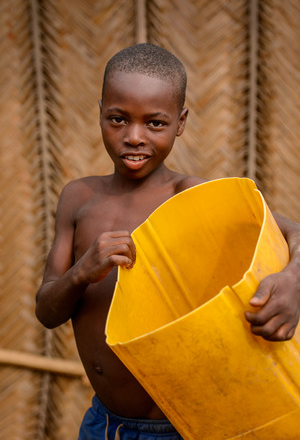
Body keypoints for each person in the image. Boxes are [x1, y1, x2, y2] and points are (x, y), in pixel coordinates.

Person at [35, 43, 300, 439]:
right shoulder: (79, 199)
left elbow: (295, 231)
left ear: (180, 122)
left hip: (188, 427)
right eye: (118, 119)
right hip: (105, 425)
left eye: (155, 123)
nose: (135, 136)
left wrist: (294, 280)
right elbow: (46, 311)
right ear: (100, 113)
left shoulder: (191, 196)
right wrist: (80, 273)